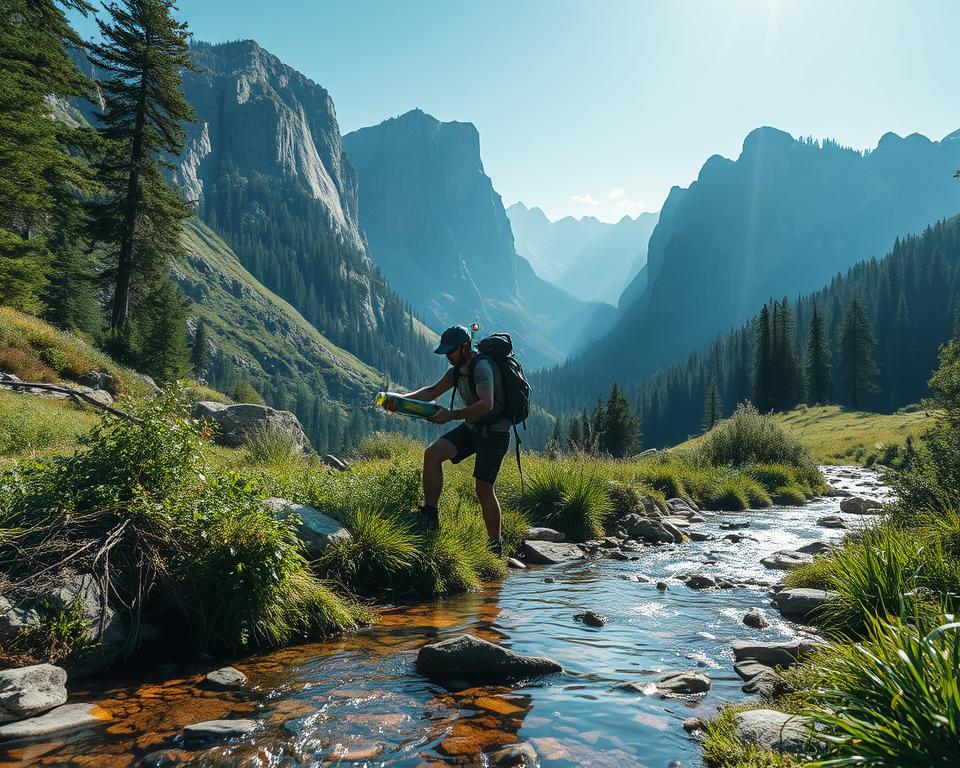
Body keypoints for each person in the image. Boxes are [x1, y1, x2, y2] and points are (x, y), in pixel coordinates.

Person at [404, 325, 511, 555]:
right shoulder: (457, 369)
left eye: (450, 351)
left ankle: (495, 548)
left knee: (483, 489)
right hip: (472, 427)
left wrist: (449, 416)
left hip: (495, 433)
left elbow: (486, 404)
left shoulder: (481, 368)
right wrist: (399, 401)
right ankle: (430, 516)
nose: (447, 357)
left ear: (464, 347)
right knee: (432, 454)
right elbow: (431, 392)